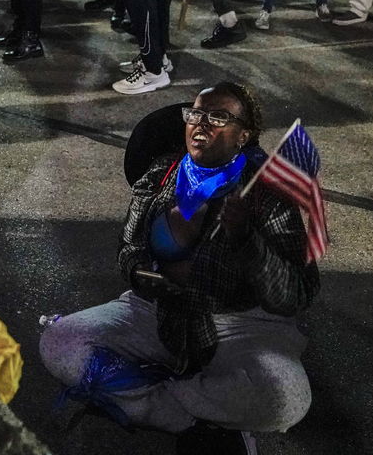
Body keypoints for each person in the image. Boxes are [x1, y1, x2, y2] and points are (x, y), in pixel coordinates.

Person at [40, 82, 319, 455]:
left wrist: (246, 240)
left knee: (286, 398)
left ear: (243, 135)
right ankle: (205, 419)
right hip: (155, 310)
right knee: (60, 342)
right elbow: (130, 248)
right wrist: (139, 274)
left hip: (240, 323)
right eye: (195, 114)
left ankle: (144, 392)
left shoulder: (263, 193)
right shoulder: (161, 174)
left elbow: (296, 294)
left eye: (219, 117)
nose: (201, 124)